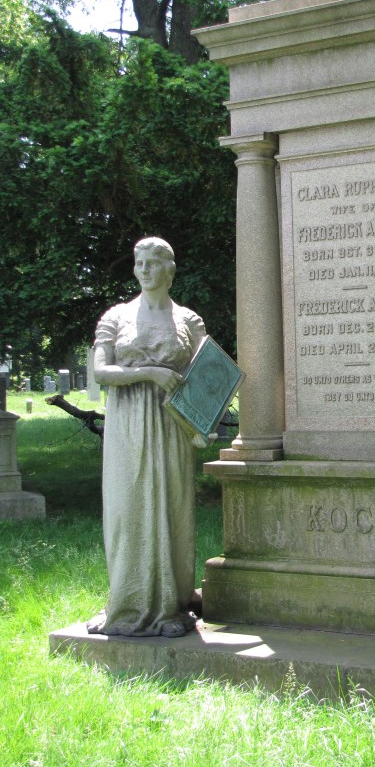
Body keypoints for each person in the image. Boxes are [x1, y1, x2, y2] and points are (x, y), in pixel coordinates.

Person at [87, 237, 206, 638]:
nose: (143, 270)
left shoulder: (189, 320)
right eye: (138, 263)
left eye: (152, 263)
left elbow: (207, 376)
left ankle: (172, 606)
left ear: (169, 271)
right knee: (127, 511)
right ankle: (126, 602)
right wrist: (149, 372)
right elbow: (101, 372)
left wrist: (202, 421)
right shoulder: (116, 316)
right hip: (128, 425)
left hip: (171, 425)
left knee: (172, 509)